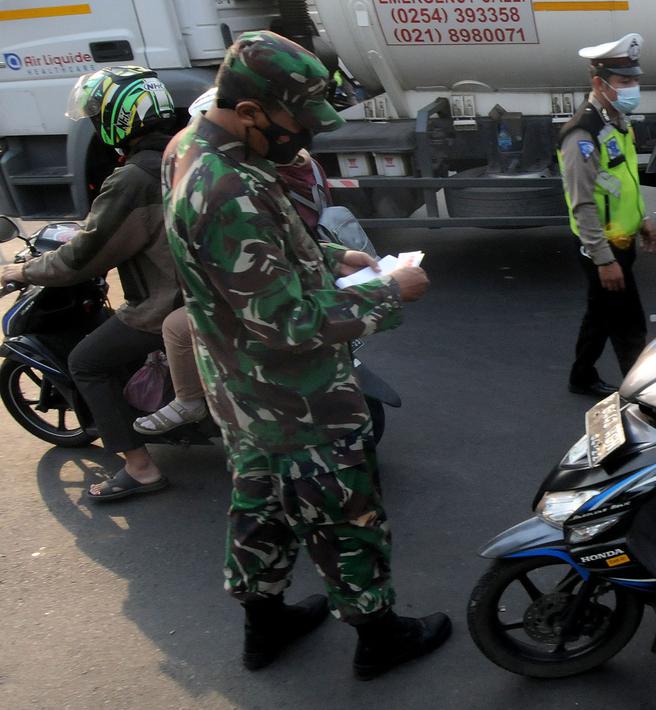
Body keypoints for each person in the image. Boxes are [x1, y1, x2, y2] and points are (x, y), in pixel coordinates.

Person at [161, 31, 449, 678]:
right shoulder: (226, 185)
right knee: (344, 507)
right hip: (294, 390)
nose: (306, 139)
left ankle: (263, 623)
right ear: (252, 112)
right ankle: (378, 633)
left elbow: (249, 259)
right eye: (297, 122)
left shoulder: (198, 153)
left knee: (260, 501)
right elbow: (285, 319)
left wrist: (331, 256)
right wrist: (387, 294)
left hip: (240, 387)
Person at [0, 66, 181, 502]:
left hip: (166, 305)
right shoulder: (181, 156)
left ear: (120, 117)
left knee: (86, 361)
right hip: (203, 294)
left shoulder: (134, 178)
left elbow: (82, 256)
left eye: (99, 113)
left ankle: (139, 468)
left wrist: (21, 271)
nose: (96, 124)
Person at [134, 88, 335, 436]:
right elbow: (284, 307)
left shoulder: (232, 180)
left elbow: (279, 301)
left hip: (266, 370)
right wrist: (380, 289)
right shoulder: (256, 180)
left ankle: (188, 402)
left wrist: (373, 287)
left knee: (173, 326)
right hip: (276, 403)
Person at [558, 32, 656, 398]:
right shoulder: (581, 134)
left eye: (635, 80)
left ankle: (580, 376)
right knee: (628, 322)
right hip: (601, 246)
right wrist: (603, 259)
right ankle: (642, 396)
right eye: (624, 81)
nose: (633, 87)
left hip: (621, 238)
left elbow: (622, 180)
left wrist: (643, 218)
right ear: (599, 83)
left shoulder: (617, 121)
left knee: (600, 313)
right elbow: (582, 203)